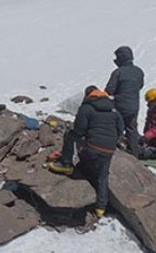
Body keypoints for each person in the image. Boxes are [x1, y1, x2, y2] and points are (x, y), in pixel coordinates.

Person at [48, 86, 125, 217]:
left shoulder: (86, 108)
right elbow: (120, 128)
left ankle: (66, 164)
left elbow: (79, 130)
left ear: (88, 95)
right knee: (103, 175)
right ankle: (101, 208)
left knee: (70, 135)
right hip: (108, 149)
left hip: (92, 146)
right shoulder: (114, 109)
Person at [105, 46, 144, 156]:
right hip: (134, 105)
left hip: (120, 105)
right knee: (131, 128)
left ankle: (112, 150)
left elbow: (109, 90)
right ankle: (134, 152)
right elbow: (140, 85)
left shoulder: (118, 72)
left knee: (115, 126)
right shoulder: (139, 71)